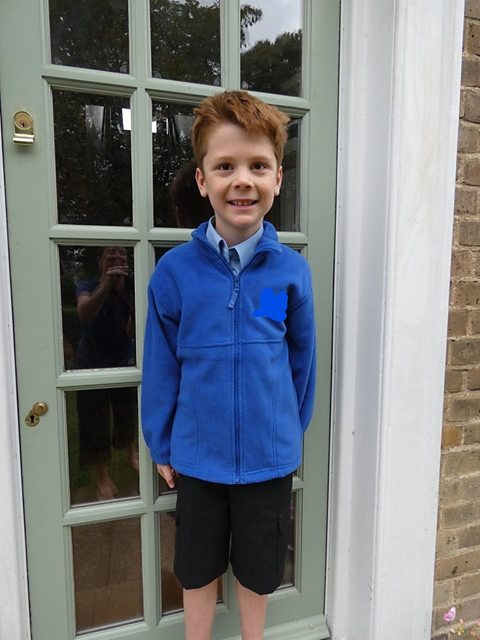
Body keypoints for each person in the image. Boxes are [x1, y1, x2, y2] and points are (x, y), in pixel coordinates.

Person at [142, 90, 316, 639]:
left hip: (269, 457)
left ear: (277, 179)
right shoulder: (174, 274)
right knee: (196, 568)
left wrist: (289, 430)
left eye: (257, 166)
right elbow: (161, 365)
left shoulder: (291, 273)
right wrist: (162, 442)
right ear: (202, 181)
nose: (242, 180)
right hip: (198, 458)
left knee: (260, 570)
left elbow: (302, 362)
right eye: (225, 166)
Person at [76, 246, 138, 500]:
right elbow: (83, 314)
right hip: (91, 361)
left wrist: (130, 301)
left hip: (122, 359)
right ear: (101, 259)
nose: (117, 258)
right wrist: (106, 285)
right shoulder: (87, 284)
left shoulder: (132, 286)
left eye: (122, 254)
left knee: (127, 411)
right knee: (95, 419)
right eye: (111, 254)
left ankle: (131, 452)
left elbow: (131, 332)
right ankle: (103, 475)